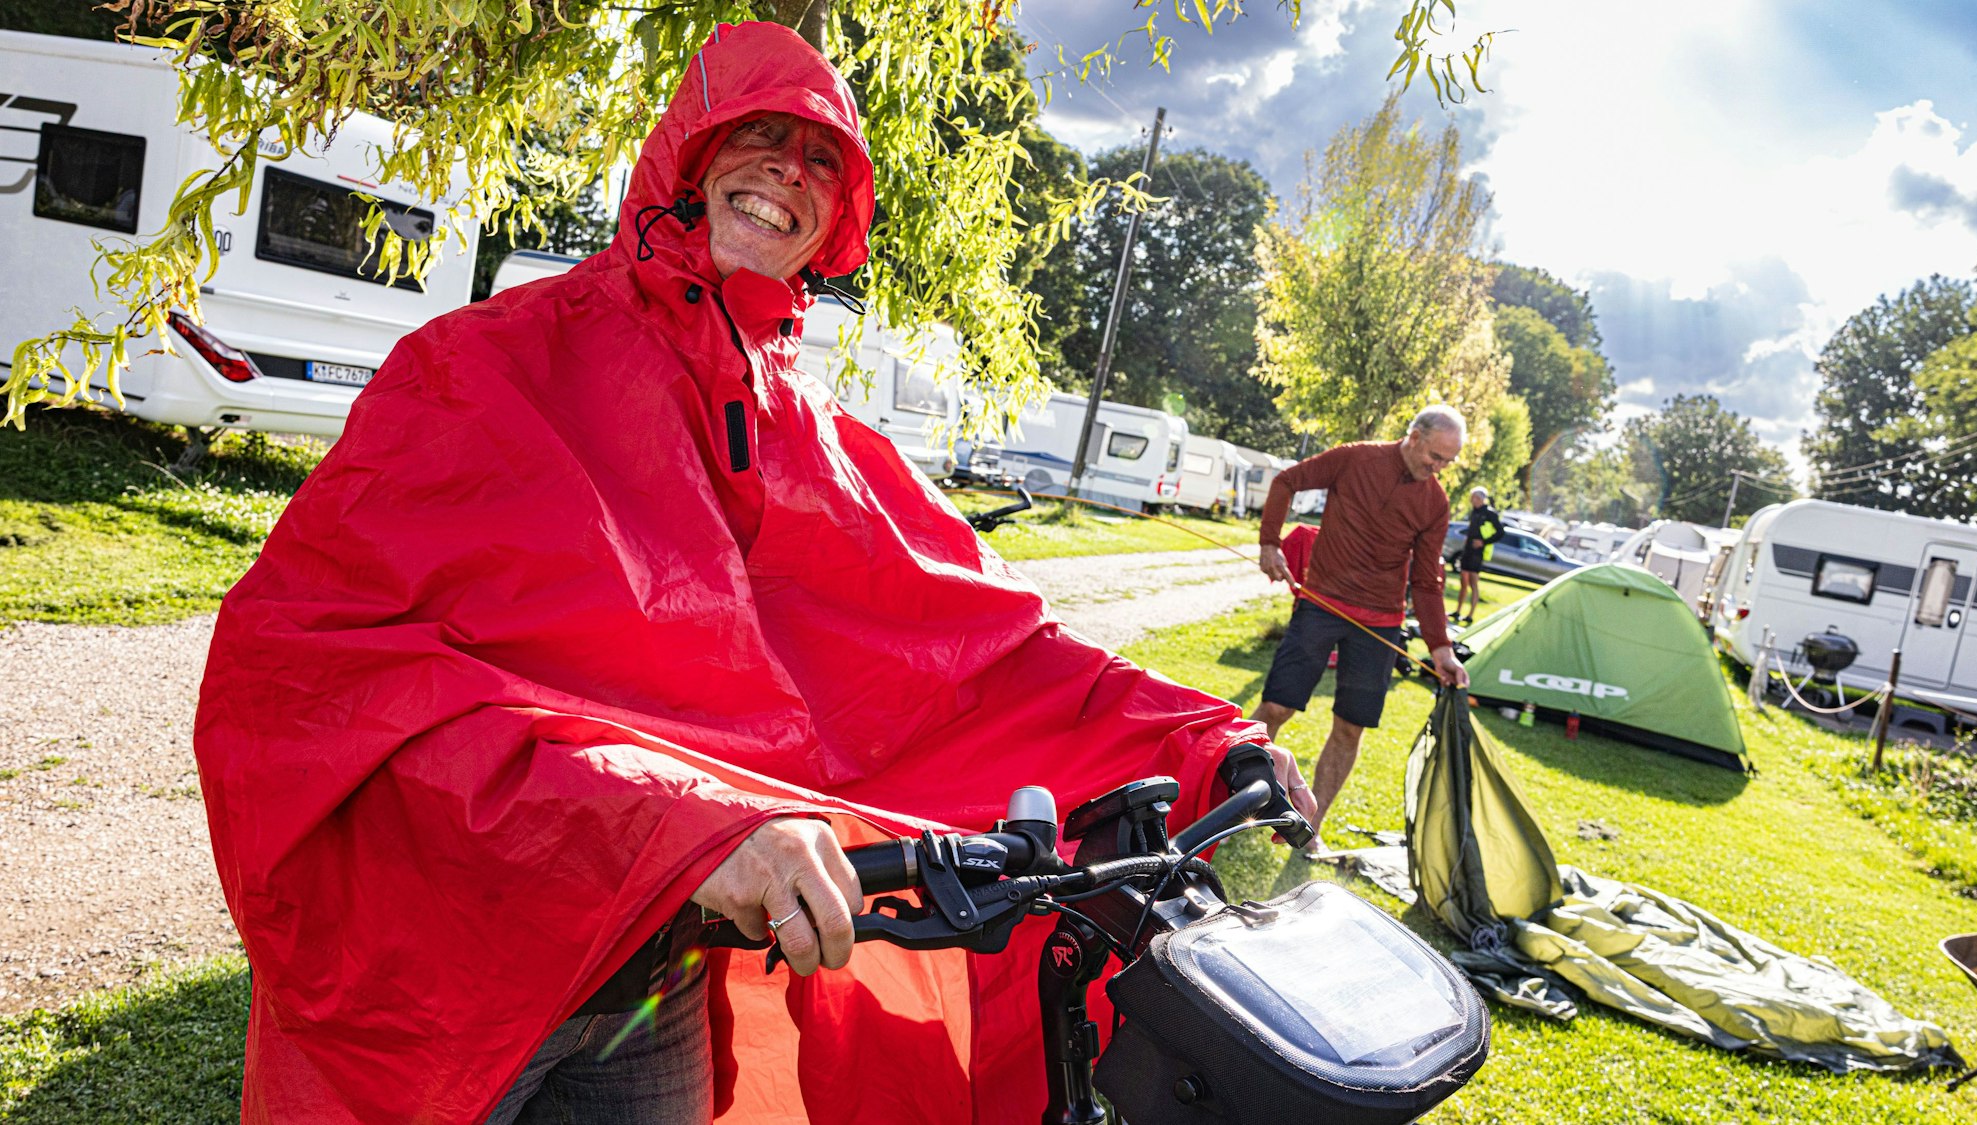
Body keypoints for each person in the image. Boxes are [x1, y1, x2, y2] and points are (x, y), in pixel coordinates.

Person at [192, 22, 1311, 1125]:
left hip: (649, 978)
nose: (788, 169)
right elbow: (311, 677)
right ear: (685, 155)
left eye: (823, 157)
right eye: (759, 134)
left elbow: (986, 654)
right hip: (447, 978)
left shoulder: (815, 436)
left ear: (834, 223)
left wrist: (1199, 737)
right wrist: (682, 824)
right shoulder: (483, 366)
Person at [1249, 407, 1471, 856]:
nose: (1439, 468)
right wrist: (1270, 543)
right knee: (1276, 706)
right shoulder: (1354, 458)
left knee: (1350, 728)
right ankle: (1229, 796)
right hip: (1321, 604)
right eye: (1435, 456)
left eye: (1448, 461)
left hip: (1380, 623)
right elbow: (1287, 481)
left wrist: (1441, 648)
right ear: (1414, 436)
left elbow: (1427, 581)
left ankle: (1309, 828)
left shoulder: (1435, 503)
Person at [1453, 485, 1505, 624]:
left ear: (1481, 499)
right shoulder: (1474, 512)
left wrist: (1483, 542)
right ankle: (1458, 611)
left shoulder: (1489, 514)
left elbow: (1500, 532)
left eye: (1474, 498)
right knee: (1463, 581)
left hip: (1477, 553)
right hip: (1468, 549)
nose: (1472, 500)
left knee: (1473, 582)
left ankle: (1470, 614)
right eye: (1472, 498)